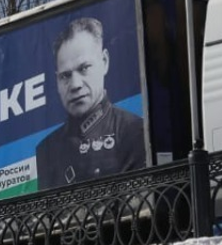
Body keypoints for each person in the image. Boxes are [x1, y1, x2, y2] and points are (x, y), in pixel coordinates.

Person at [34, 16, 146, 189]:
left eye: (84, 68)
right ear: (56, 81)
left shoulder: (134, 131)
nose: (75, 85)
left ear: (104, 62)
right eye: (65, 76)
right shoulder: (46, 150)